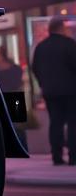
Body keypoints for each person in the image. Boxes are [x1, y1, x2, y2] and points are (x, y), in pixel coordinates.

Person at [31, 17, 76, 166]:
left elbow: (35, 68)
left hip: (50, 92)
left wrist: (44, 83)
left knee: (55, 123)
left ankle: (56, 156)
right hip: (70, 91)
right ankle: (73, 156)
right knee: (72, 123)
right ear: (61, 28)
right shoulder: (69, 44)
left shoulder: (41, 47)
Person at [0, 45, 27, 146]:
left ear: (2, 56)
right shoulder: (16, 69)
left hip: (3, 98)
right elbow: (20, 83)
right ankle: (23, 148)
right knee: (19, 128)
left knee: (7, 127)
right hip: (16, 98)